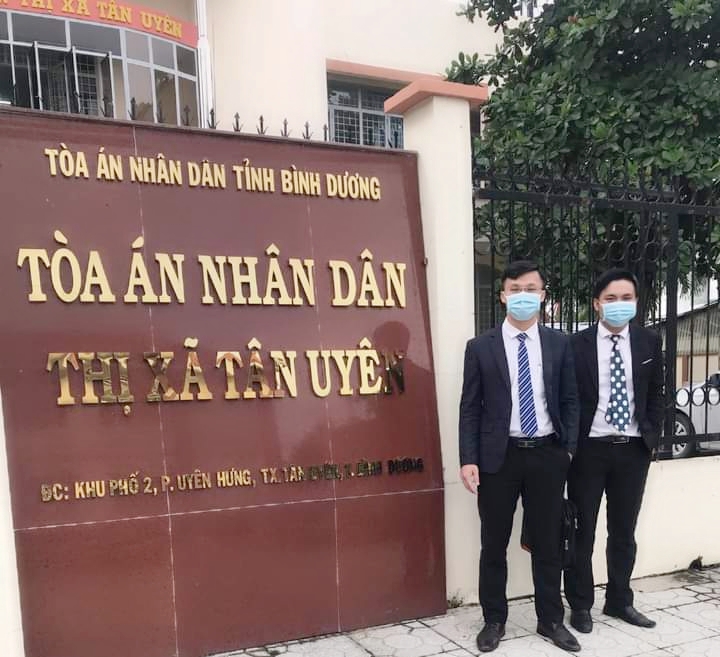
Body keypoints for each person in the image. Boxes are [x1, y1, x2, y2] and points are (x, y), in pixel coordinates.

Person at [459, 260, 580, 653]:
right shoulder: (480, 347)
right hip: (499, 458)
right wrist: (468, 458)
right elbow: (470, 407)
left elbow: (570, 399)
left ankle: (550, 620)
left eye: (530, 289)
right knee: (493, 543)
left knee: (548, 543)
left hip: (547, 454)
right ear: (502, 296)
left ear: (542, 296)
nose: (522, 296)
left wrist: (568, 449)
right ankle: (494, 619)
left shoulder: (559, 343)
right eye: (515, 289)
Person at [564, 268, 663, 634]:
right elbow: (567, 398)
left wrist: (652, 436)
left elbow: (656, 393)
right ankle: (580, 605)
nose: (619, 304)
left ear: (635, 302)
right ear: (596, 304)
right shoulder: (576, 344)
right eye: (610, 298)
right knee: (582, 532)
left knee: (623, 532)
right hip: (589, 451)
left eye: (626, 298)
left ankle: (620, 600)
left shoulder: (649, 341)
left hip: (633, 451)